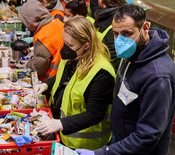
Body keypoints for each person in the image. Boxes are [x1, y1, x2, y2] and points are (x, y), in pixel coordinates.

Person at [76, 5, 175, 155]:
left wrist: (103, 153)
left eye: (126, 33)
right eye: (116, 33)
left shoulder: (158, 77)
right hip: (122, 141)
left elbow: (147, 136)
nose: (120, 40)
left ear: (145, 27)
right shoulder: (131, 55)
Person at [35, 15, 115, 150]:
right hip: (65, 136)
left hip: (85, 146)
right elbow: (65, 79)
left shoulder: (102, 73)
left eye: (70, 45)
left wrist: (61, 123)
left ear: (86, 46)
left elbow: (95, 114)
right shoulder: (74, 55)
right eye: (64, 42)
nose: (65, 48)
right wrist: (47, 84)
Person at [19, 0, 64, 82]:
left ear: (33, 21)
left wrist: (28, 65)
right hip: (61, 76)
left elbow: (39, 66)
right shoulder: (56, 23)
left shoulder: (43, 35)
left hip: (50, 81)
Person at [94, 0, 124, 71]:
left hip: (99, 73)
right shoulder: (103, 17)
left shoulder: (113, 25)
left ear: (101, 1)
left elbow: (113, 62)